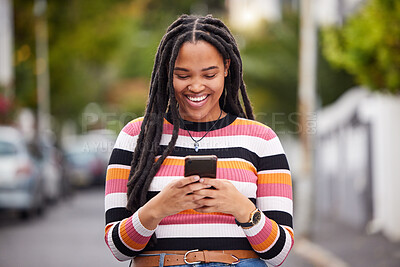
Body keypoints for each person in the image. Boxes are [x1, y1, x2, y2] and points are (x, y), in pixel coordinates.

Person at [104, 14, 294, 267]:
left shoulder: (261, 140)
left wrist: (241, 208)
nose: (195, 86)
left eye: (209, 74)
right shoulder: (134, 137)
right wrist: (158, 207)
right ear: (167, 72)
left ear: (226, 68)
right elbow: (118, 248)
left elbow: (279, 253)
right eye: (183, 75)